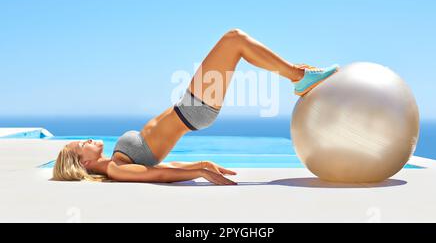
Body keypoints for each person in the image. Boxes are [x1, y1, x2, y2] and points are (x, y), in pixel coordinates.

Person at [52, 29, 338, 185]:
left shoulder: (117, 162)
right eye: (82, 145)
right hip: (192, 110)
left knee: (234, 41)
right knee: (234, 39)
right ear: (85, 163)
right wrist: (198, 172)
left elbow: (164, 165)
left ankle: (297, 74)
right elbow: (158, 174)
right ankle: (298, 77)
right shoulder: (116, 170)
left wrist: (200, 164)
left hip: (188, 108)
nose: (87, 139)